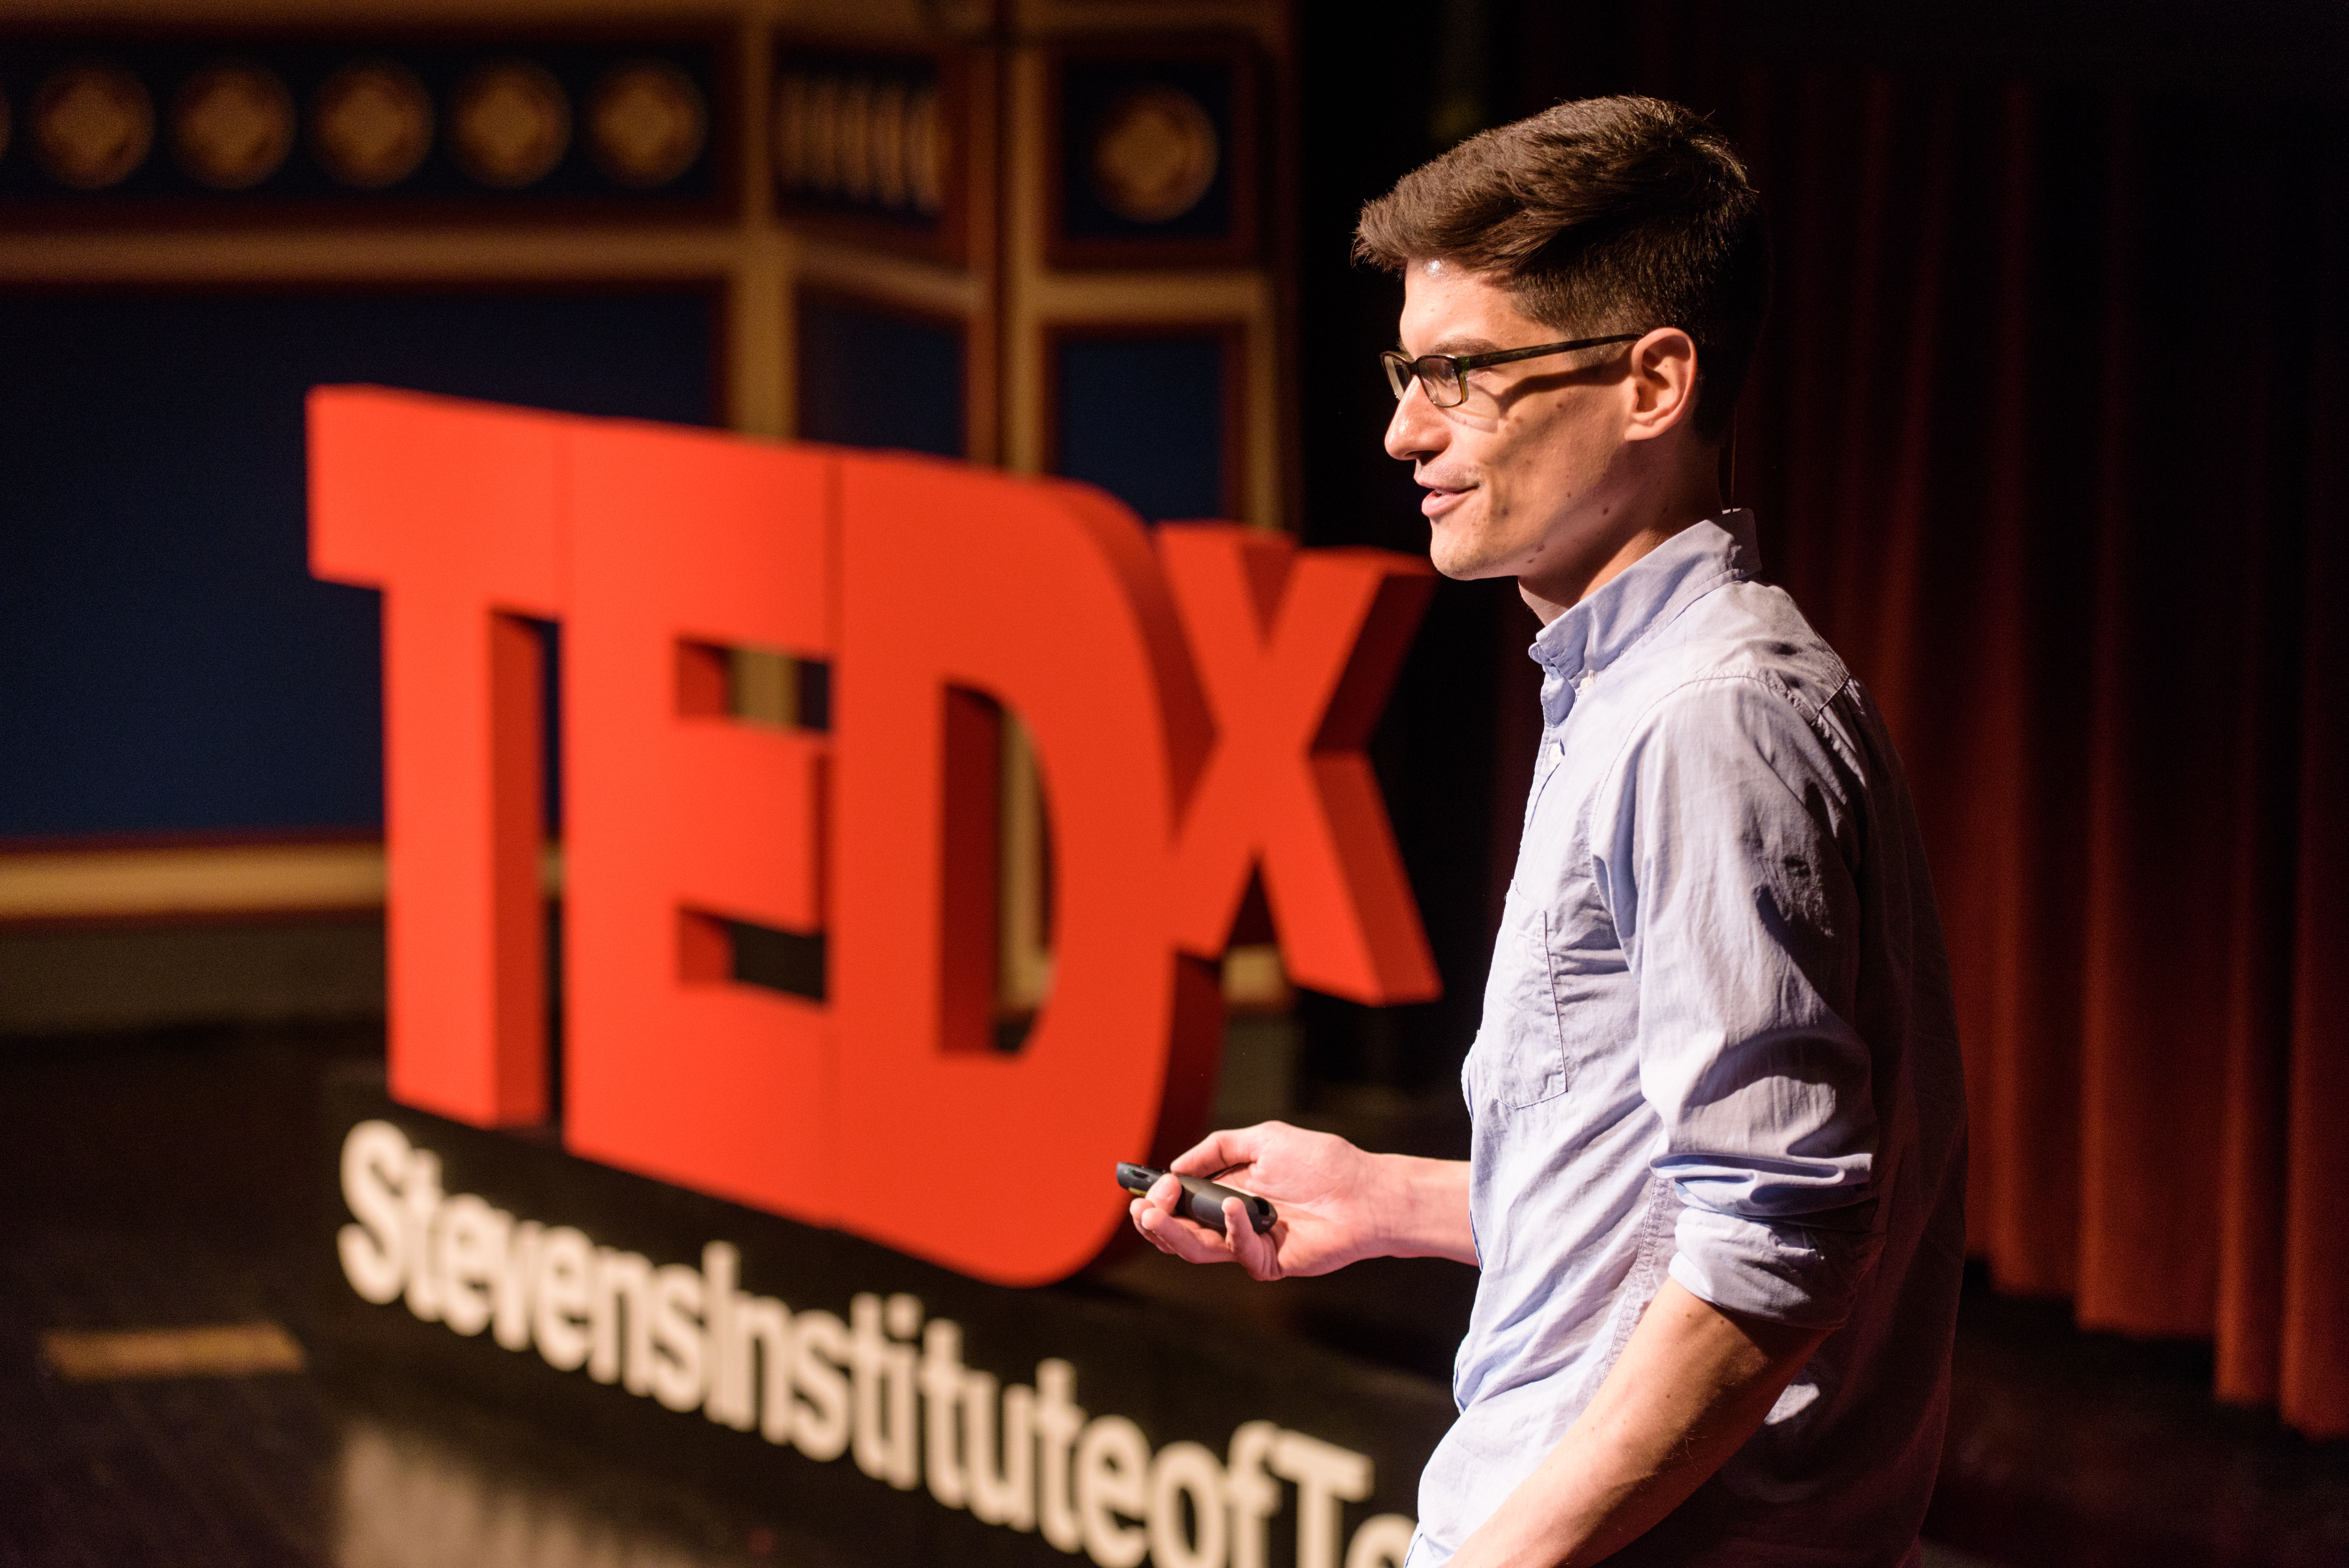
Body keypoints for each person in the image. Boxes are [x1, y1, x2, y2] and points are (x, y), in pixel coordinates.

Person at [1129, 96, 1967, 1568]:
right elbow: (1675, 1193)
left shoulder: (1709, 718)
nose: (1403, 431)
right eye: (1407, 370)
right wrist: (1386, 1197)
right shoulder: (1649, 692)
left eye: (1461, 374)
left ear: (1653, 384)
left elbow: (1775, 1243)